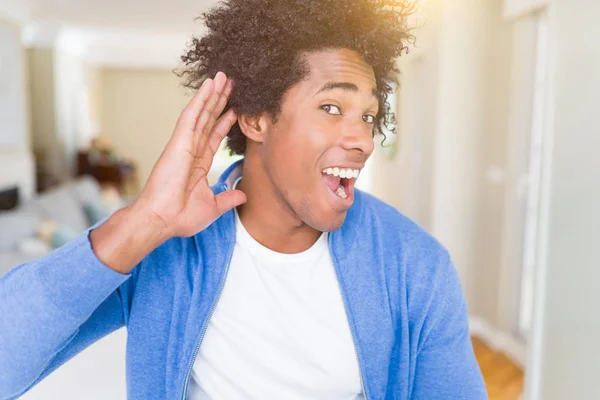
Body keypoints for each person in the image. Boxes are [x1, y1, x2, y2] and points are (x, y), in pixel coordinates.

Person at [0, 0, 487, 399]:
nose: (361, 138)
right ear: (255, 120)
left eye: (367, 116)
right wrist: (146, 219)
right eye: (332, 107)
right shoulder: (165, 249)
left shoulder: (415, 266)